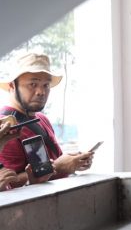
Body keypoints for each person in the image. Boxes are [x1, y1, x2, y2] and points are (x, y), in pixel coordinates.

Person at [0, 53, 94, 187]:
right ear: (12, 86)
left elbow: (56, 162)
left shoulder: (41, 119)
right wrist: (59, 167)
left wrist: (73, 162)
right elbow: (8, 184)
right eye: (33, 84)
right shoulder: (6, 126)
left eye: (46, 85)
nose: (41, 92)